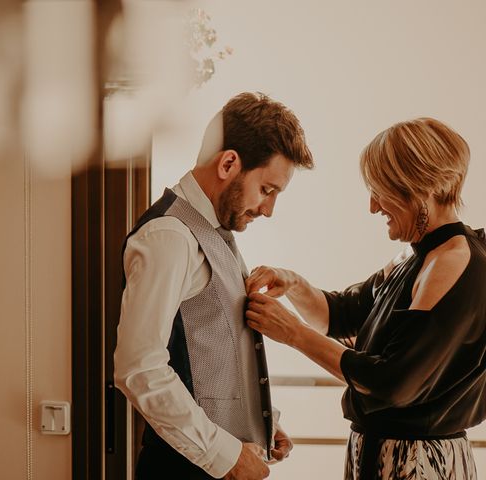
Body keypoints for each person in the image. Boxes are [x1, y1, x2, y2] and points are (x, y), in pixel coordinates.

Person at [245, 117, 486, 480]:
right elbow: (341, 315)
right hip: (386, 454)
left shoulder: (451, 261)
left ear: (418, 188)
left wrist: (293, 333)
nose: (373, 207)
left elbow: (393, 383)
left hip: (418, 463)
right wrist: (293, 283)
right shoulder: (417, 256)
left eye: (380, 190)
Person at [114, 92, 314, 479]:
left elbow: (211, 345)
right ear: (228, 163)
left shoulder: (214, 231)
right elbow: (139, 367)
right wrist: (229, 456)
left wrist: (261, 420)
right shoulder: (169, 236)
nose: (268, 210)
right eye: (267, 190)